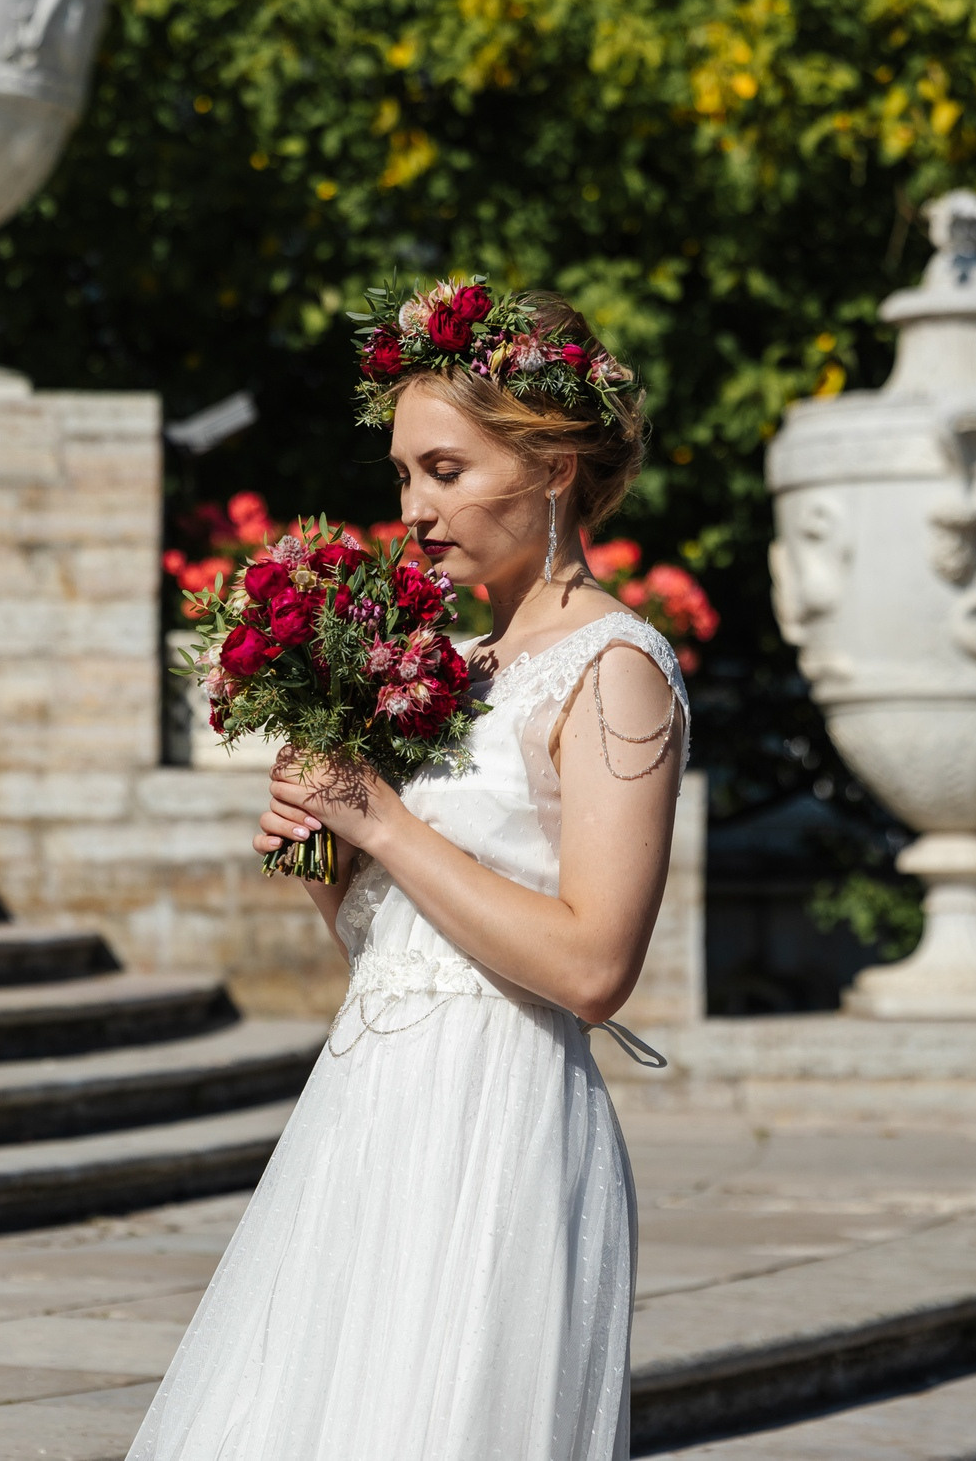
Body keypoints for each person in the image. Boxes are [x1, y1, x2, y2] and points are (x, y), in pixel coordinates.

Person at [126, 282, 684, 1461]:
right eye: (402, 477)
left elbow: (591, 966)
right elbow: (389, 939)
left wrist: (377, 821)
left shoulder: (616, 666)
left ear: (554, 468)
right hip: (367, 1102)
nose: (413, 510)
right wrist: (322, 845)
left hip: (499, 1114)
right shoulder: (452, 665)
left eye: (446, 471)